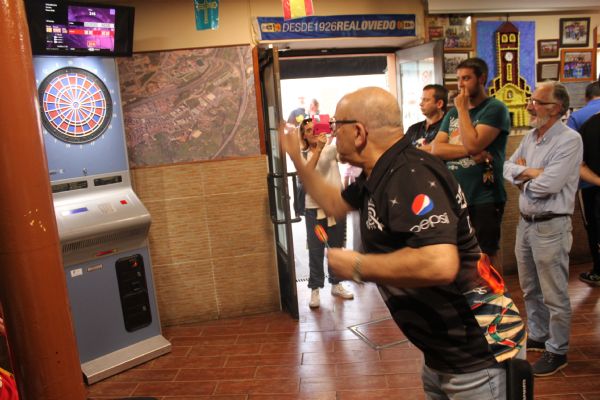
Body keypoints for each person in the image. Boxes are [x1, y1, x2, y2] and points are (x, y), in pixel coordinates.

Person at [281, 87, 525, 399]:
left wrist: (357, 265)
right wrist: (296, 158)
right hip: (444, 355)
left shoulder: (410, 174)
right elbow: (332, 203)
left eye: (335, 126)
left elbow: (439, 264)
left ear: (358, 132)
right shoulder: (377, 173)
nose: (330, 133)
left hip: (480, 353)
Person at [503, 81, 583, 376]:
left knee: (554, 293)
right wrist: (531, 174)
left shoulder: (570, 140)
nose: (529, 105)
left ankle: (557, 350)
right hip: (526, 225)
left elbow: (548, 186)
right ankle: (538, 335)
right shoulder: (530, 137)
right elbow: (506, 168)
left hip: (552, 226)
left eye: (536, 101)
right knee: (530, 288)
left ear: (556, 108)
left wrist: (525, 178)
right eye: (531, 99)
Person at [427, 58, 511, 275]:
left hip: (485, 196)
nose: (461, 85)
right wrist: (471, 151)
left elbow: (474, 142)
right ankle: (472, 303)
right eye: (458, 79)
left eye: (466, 78)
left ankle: (496, 304)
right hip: (457, 197)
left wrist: (463, 110)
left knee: (486, 255)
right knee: (462, 256)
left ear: (481, 78)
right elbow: (437, 149)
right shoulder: (452, 113)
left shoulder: (494, 109)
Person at [297, 117, 353, 309]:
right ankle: (315, 289)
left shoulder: (331, 149)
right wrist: (319, 149)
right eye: (308, 130)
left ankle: (336, 284)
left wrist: (337, 134)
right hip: (313, 209)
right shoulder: (303, 154)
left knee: (336, 249)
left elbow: (346, 156)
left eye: (315, 128)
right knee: (315, 250)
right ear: (303, 135)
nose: (312, 132)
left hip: (335, 206)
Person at [567, 81, 600, 286]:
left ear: (587, 97)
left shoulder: (578, 117)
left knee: (594, 226)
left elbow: (572, 157)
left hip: (589, 183)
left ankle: (598, 270)